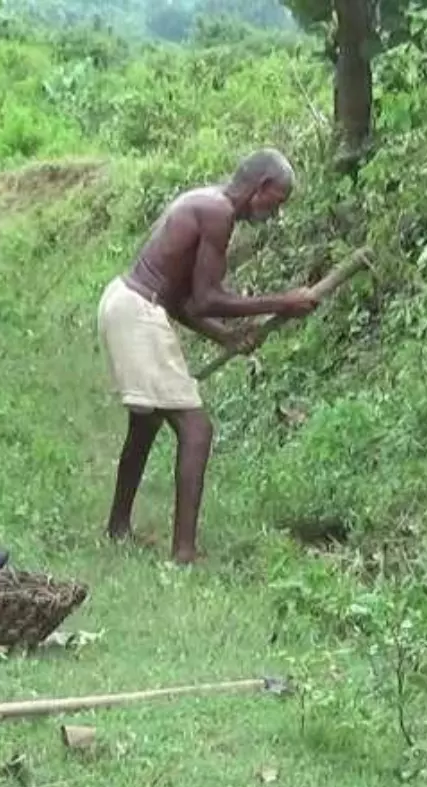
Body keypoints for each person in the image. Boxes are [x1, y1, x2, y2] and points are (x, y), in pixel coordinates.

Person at [96, 148, 320, 564]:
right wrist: (283, 301)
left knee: (146, 423)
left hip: (125, 300)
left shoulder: (207, 202)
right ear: (261, 187)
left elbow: (184, 300)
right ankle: (183, 552)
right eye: (276, 202)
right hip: (137, 310)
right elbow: (207, 298)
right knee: (196, 430)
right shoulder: (218, 212)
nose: (275, 214)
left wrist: (225, 336)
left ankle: (118, 528)